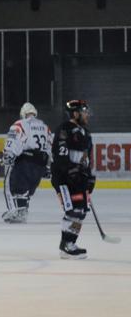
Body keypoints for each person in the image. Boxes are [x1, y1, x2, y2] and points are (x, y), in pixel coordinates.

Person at [51, 100, 95, 259]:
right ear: (75, 114)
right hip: (64, 178)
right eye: (84, 112)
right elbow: (60, 156)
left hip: (78, 178)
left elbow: (87, 159)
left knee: (82, 211)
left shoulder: (86, 133)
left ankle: (71, 243)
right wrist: (72, 172)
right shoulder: (65, 129)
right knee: (73, 210)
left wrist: (89, 178)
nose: (87, 115)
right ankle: (66, 245)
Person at [1, 102, 52, 223]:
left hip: (25, 161)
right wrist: (49, 166)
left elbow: (14, 141)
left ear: (23, 114)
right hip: (41, 163)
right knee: (28, 188)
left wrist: (8, 155)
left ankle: (16, 211)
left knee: (11, 185)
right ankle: (22, 210)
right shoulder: (45, 127)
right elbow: (50, 146)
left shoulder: (20, 124)